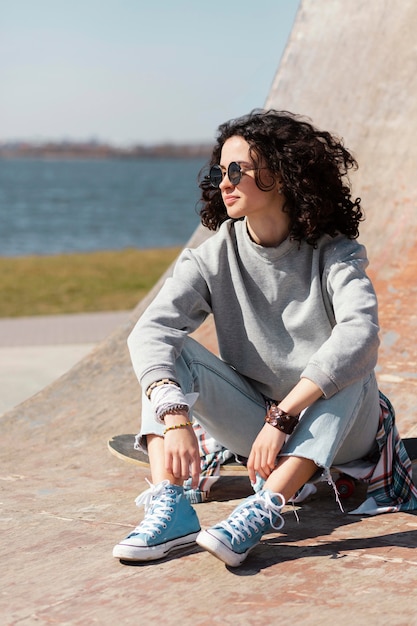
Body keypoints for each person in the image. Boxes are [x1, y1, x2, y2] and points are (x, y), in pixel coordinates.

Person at [112, 109, 407, 568]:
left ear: (283, 175)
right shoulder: (210, 259)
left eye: (237, 171)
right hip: (257, 427)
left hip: (342, 428)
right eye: (218, 173)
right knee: (167, 351)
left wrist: (285, 416)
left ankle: (263, 508)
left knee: (353, 364)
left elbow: (360, 333)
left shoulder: (334, 252)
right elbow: (151, 332)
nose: (223, 183)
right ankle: (169, 504)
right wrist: (173, 416)